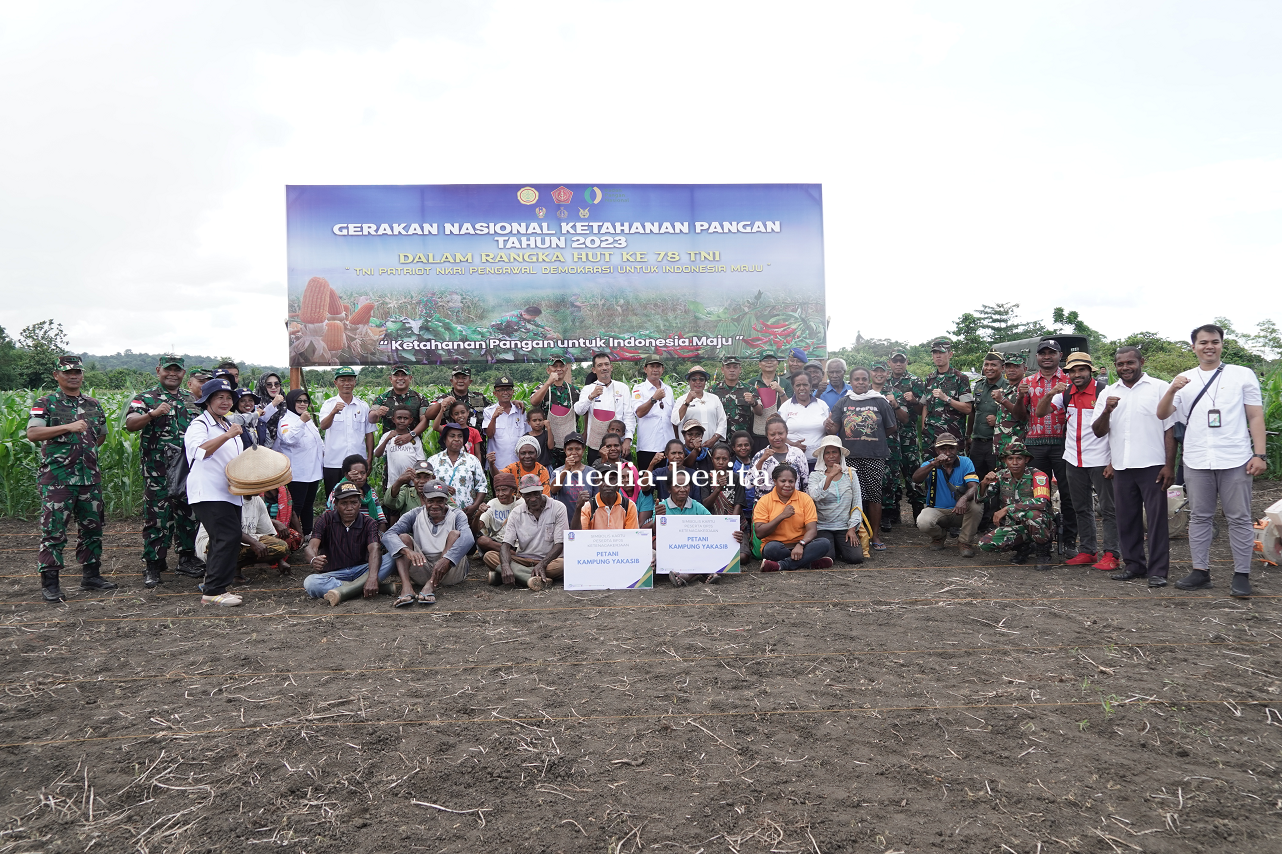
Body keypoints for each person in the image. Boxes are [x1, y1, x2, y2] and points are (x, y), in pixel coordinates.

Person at [1157, 323, 1268, 597]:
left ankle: (1241, 574)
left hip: (1236, 458)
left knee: (1239, 518)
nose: (1209, 346)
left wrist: (1260, 454)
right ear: (1193, 346)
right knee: (1200, 517)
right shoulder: (1184, 378)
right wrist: (1172, 389)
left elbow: (1255, 416)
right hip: (1196, 459)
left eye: (1215, 341)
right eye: (1203, 342)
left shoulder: (1242, 374)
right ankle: (1200, 571)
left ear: (1221, 344)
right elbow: (1162, 414)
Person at [27, 354, 114, 603]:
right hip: (58, 480)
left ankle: (91, 576)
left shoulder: (93, 404)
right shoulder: (46, 403)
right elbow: (33, 433)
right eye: (67, 372)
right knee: (54, 532)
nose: (73, 375)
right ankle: (51, 583)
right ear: (57, 375)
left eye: (77, 371)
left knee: (92, 530)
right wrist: (68, 427)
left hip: (89, 478)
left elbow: (100, 436)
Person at [1092, 346, 1176, 588]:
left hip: (1153, 465)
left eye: (1130, 363)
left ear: (1141, 361)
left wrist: (1169, 465)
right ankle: (1134, 565)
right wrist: (1107, 410)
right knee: (1126, 519)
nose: (1125, 368)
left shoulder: (1160, 388)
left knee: (1157, 520)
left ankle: (1158, 570)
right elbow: (1098, 431)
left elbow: (1170, 429)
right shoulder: (1108, 393)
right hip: (1122, 466)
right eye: (1120, 364)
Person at [124, 354, 202, 588]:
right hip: (157, 471)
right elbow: (130, 424)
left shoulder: (192, 399)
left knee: (188, 515)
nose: (172, 374)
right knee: (158, 518)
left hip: (187, 469)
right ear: (159, 370)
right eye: (168, 369)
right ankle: (154, 565)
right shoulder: (146, 398)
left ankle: (186, 559)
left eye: (177, 370)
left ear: (183, 374)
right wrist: (152, 414)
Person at [1035, 352, 1117, 570]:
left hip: (1100, 458)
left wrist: (1113, 461)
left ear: (1090, 370)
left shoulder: (1104, 392)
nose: (1077, 374)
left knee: (1109, 508)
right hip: (1073, 458)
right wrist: (1050, 393)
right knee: (1081, 507)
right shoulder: (1066, 393)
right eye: (1072, 370)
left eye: (1081, 369)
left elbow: (1117, 429)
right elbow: (1040, 412)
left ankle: (1112, 553)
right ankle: (1088, 551)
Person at [183, 377, 246, 606]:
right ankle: (212, 591)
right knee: (226, 536)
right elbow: (200, 451)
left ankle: (218, 587)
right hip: (208, 491)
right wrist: (227, 436)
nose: (226, 401)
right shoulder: (200, 425)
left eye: (229, 398)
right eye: (219, 397)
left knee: (229, 537)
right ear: (207, 400)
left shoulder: (226, 424)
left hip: (229, 492)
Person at [1013, 339, 1076, 554]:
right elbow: (1020, 416)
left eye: (1052, 353)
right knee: (1038, 495)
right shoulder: (1027, 381)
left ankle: (1069, 541)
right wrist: (1020, 396)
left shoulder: (1070, 380)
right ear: (1037, 357)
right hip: (1035, 447)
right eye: (1043, 353)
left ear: (1060, 355)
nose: (1047, 356)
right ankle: (1041, 541)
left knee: (1068, 494)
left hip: (1064, 446)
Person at [825, 367, 899, 551]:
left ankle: (874, 534)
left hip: (874, 456)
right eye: (856, 379)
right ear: (851, 381)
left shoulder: (880, 402)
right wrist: (829, 426)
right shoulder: (843, 402)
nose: (860, 382)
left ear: (868, 381)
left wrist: (872, 438)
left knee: (874, 495)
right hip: (850, 457)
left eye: (863, 379)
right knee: (850, 496)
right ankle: (854, 531)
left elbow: (891, 427)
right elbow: (834, 430)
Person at [382, 481, 476, 607]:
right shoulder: (415, 514)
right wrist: (407, 551)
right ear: (424, 499)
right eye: (431, 501)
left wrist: (446, 559)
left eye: (440, 501)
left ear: (446, 500)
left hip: (451, 570)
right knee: (403, 538)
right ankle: (407, 587)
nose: (435, 505)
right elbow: (388, 535)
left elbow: (469, 538)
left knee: (455, 534)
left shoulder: (457, 514)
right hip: (423, 568)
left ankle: (431, 584)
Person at [303, 482, 396, 606]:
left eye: (354, 502)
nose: (349, 508)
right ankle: (364, 588)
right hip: (335, 574)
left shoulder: (369, 522)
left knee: (394, 556)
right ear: (335, 504)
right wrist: (314, 559)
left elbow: (375, 549)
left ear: (360, 503)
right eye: (344, 503)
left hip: (363, 570)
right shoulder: (325, 519)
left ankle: (347, 590)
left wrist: (372, 577)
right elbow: (311, 547)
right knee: (311, 582)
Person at [484, 474, 569, 591]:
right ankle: (535, 579)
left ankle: (514, 576)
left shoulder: (558, 508)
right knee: (489, 556)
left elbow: (560, 544)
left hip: (549, 561)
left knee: (563, 565)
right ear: (521, 495)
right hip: (523, 560)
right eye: (528, 495)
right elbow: (506, 545)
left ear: (542, 490)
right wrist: (505, 565)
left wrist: (542, 564)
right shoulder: (516, 513)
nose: (533, 498)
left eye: (536, 493)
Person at [978, 443, 1052, 571]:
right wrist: (984, 482)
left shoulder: (1038, 476)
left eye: (1019, 458)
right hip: (1015, 524)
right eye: (1010, 459)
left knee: (1033, 515)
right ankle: (1024, 547)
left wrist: (1008, 508)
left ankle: (1043, 553)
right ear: (1005, 461)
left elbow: (1042, 502)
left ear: (1026, 460)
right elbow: (981, 498)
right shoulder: (1001, 476)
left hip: (1041, 524)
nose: (1015, 462)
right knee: (985, 543)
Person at [910, 433, 983, 557]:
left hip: (960, 511)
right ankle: (939, 537)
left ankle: (964, 542)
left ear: (957, 449)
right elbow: (916, 479)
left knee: (977, 505)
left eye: (951, 448)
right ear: (937, 450)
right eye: (943, 449)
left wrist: (964, 498)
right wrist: (933, 464)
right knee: (923, 521)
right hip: (938, 510)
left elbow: (974, 487)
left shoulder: (965, 462)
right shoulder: (929, 464)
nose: (948, 453)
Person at [195, 492, 290, 583]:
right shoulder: (226, 499)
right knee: (230, 542)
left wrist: (279, 559)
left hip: (244, 540)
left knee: (280, 546)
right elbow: (228, 531)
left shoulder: (257, 500)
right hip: (213, 541)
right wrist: (253, 542)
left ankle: (235, 567)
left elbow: (268, 533)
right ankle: (219, 571)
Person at [753, 464, 833, 572]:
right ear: (775, 481)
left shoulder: (805, 499)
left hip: (802, 547)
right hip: (777, 547)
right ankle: (808, 563)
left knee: (824, 543)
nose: (787, 485)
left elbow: (812, 530)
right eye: (783, 481)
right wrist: (782, 516)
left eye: (791, 481)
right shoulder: (764, 501)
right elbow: (759, 533)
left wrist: (801, 544)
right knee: (771, 549)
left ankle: (781, 565)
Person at [807, 435, 864, 565]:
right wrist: (830, 476)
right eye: (827, 453)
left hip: (844, 526)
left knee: (855, 558)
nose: (831, 456)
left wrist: (852, 528)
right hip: (823, 526)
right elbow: (815, 496)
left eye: (834, 452)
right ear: (822, 456)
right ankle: (834, 547)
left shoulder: (851, 474)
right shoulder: (815, 476)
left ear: (840, 455)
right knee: (828, 558)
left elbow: (857, 503)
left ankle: (839, 546)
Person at [319, 366, 375, 496]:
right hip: (334, 462)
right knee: (333, 498)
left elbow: (369, 433)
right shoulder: (328, 404)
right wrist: (333, 412)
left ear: (355, 382)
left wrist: (369, 459)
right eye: (342, 380)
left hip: (358, 464)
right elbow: (323, 426)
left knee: (357, 498)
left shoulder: (363, 405)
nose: (347, 383)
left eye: (350, 380)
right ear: (336, 383)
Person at [275, 389, 324, 536]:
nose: (303, 404)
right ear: (291, 402)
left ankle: (308, 534)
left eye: (305, 401)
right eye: (299, 401)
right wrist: (302, 422)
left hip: (313, 471)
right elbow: (289, 439)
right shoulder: (286, 421)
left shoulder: (306, 419)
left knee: (309, 505)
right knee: (296, 507)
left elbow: (318, 442)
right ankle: (293, 536)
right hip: (297, 473)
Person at [574, 352, 635, 462]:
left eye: (607, 364)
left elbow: (629, 415)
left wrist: (627, 440)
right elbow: (579, 411)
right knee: (597, 476)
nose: (604, 368)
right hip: (596, 445)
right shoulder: (588, 389)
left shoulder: (622, 388)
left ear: (611, 367)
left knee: (623, 476)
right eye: (600, 365)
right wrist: (591, 396)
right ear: (594, 369)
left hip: (618, 445)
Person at [887, 351, 926, 522]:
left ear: (906, 362)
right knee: (892, 473)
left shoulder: (915, 381)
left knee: (912, 472)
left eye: (901, 361)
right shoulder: (884, 380)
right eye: (895, 361)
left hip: (908, 434)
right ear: (889, 363)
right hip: (890, 435)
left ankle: (918, 510)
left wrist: (914, 400)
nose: (898, 364)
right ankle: (893, 511)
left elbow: (922, 408)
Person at [427, 422, 489, 521]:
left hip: (466, 514)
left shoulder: (472, 460)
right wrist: (441, 487)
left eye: (460, 436)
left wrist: (474, 506)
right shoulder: (433, 461)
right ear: (444, 439)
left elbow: (482, 486)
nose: (456, 439)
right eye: (452, 436)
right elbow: (425, 486)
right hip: (440, 514)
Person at [920, 339, 973, 454]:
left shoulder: (960, 378)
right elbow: (925, 405)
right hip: (930, 438)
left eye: (941, 352)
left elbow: (968, 409)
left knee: (953, 470)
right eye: (935, 353)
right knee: (931, 469)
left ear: (950, 354)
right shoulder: (929, 378)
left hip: (951, 438)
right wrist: (923, 426)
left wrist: (947, 399)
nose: (938, 356)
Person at [423, 367, 490, 456]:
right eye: (457, 378)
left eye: (464, 378)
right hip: (450, 450)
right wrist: (441, 404)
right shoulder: (442, 398)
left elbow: (495, 411)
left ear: (470, 381)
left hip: (476, 450)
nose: (460, 380)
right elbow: (428, 415)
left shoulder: (479, 398)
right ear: (452, 381)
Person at [703, 442, 751, 562]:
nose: (720, 462)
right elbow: (705, 504)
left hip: (735, 525)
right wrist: (718, 489)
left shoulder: (735, 478)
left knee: (743, 557)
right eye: (717, 458)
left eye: (724, 459)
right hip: (713, 526)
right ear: (712, 459)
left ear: (729, 460)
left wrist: (730, 525)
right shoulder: (705, 478)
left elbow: (738, 504)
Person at [528, 355, 578, 465]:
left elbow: (584, 410)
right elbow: (534, 402)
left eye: (561, 366)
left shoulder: (574, 390)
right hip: (547, 443)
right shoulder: (541, 388)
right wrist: (548, 383)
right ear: (548, 370)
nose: (558, 369)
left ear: (566, 369)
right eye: (555, 366)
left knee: (569, 475)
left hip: (569, 443)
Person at [969, 353, 1008, 486]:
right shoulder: (978, 385)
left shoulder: (1008, 387)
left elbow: (1018, 415)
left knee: (996, 480)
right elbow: (973, 412)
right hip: (978, 442)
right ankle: (977, 507)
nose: (989, 368)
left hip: (997, 443)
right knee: (975, 479)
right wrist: (968, 436)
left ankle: (995, 507)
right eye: (986, 364)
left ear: (1002, 368)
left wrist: (998, 421)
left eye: (993, 365)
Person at [631, 354, 676, 470]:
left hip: (668, 447)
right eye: (652, 366)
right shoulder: (639, 389)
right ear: (645, 369)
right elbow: (639, 413)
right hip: (648, 447)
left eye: (658, 366)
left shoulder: (669, 390)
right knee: (647, 485)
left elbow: (673, 418)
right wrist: (653, 399)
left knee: (668, 484)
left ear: (663, 369)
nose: (655, 369)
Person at [750, 415, 811, 501]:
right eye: (772, 434)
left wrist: (806, 504)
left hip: (793, 504)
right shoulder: (759, 456)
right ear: (767, 435)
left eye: (780, 433)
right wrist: (762, 460)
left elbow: (805, 483)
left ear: (786, 432)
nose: (777, 437)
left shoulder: (797, 454)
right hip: (766, 507)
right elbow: (749, 484)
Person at [324, 454, 387, 530]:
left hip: (369, 533)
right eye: (355, 473)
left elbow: (381, 520)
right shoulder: (339, 489)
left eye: (363, 473)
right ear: (346, 475)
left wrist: (379, 536)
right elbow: (332, 510)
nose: (360, 477)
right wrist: (349, 483)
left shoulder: (370, 492)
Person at [778, 372, 829, 464]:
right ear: (793, 387)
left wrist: (830, 426)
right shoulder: (786, 407)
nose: (802, 388)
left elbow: (830, 431)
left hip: (819, 461)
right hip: (793, 460)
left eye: (805, 384)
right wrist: (792, 444)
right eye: (798, 385)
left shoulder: (822, 405)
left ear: (810, 386)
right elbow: (777, 434)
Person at [672, 365, 727, 447]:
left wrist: (713, 440)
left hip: (713, 446)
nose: (698, 382)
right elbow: (675, 420)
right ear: (689, 381)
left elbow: (722, 421)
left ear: (705, 382)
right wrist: (687, 402)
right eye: (694, 379)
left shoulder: (714, 398)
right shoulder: (681, 400)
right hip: (689, 448)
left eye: (701, 379)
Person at [475, 471, 524, 562]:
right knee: (482, 540)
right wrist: (478, 515)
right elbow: (478, 527)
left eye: (504, 490)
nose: (500, 494)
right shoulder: (492, 503)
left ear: (513, 490)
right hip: (498, 543)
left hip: (517, 544)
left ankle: (509, 554)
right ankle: (515, 556)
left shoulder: (522, 504)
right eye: (497, 490)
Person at [483, 375, 528, 472]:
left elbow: (528, 435)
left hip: (520, 464)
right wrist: (494, 417)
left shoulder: (521, 411)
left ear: (513, 392)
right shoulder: (489, 411)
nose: (505, 392)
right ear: (495, 393)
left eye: (508, 389)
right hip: (498, 465)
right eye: (501, 390)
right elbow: (489, 435)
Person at [374, 405, 426, 488]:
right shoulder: (387, 436)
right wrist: (387, 439)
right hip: (394, 482)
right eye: (399, 418)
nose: (402, 421)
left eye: (405, 418)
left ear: (410, 420)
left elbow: (420, 460)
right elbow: (377, 454)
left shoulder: (414, 438)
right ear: (393, 419)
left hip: (412, 482)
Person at [369, 365, 428, 438]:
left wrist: (410, 435)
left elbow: (425, 421)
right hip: (389, 444)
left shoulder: (420, 398)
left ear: (410, 378)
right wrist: (377, 413)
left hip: (413, 444)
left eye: (404, 375)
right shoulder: (381, 398)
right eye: (396, 375)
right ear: (391, 379)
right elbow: (371, 419)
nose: (400, 378)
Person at [710, 355, 758, 444]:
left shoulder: (750, 389)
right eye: (728, 367)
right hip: (719, 440)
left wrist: (753, 402)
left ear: (740, 369)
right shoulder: (712, 390)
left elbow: (760, 412)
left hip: (742, 441)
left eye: (735, 367)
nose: (732, 370)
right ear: (722, 370)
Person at [993, 351, 1028, 460]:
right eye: (1008, 366)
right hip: (1002, 446)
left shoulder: (1025, 389)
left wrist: (1002, 400)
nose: (1011, 370)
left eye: (1016, 366)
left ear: (1025, 369)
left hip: (1016, 448)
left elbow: (1023, 417)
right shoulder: (1007, 389)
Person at [261, 485, 304, 573]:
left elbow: (292, 513)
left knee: (295, 537)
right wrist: (275, 522)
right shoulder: (257, 495)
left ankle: (277, 557)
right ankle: (262, 559)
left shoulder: (284, 492)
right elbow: (255, 518)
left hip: (281, 529)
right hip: (261, 529)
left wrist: (301, 533)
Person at [751, 351, 789, 451]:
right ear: (759, 364)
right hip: (757, 434)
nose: (769, 362)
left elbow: (789, 407)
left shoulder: (785, 383)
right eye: (765, 360)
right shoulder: (752, 383)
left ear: (777, 363)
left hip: (778, 435)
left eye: (772, 360)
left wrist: (781, 391)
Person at [551, 432, 593, 516]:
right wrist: (566, 469)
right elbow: (553, 490)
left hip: (586, 518)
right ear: (565, 451)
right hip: (564, 518)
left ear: (583, 450)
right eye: (570, 449)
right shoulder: (558, 471)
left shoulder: (592, 472)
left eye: (578, 449)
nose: (574, 452)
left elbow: (596, 498)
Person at [652, 438, 705, 503]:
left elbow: (697, 501)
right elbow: (644, 489)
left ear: (684, 454)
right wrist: (651, 464)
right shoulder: (659, 473)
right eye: (673, 453)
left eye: (680, 453)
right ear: (666, 455)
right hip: (665, 511)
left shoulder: (693, 474)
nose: (677, 456)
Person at [253, 372, 286, 448]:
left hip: (282, 447)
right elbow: (258, 421)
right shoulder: (255, 401)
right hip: (262, 447)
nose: (273, 387)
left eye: (276, 384)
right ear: (263, 386)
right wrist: (273, 404)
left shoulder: (284, 401)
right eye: (269, 384)